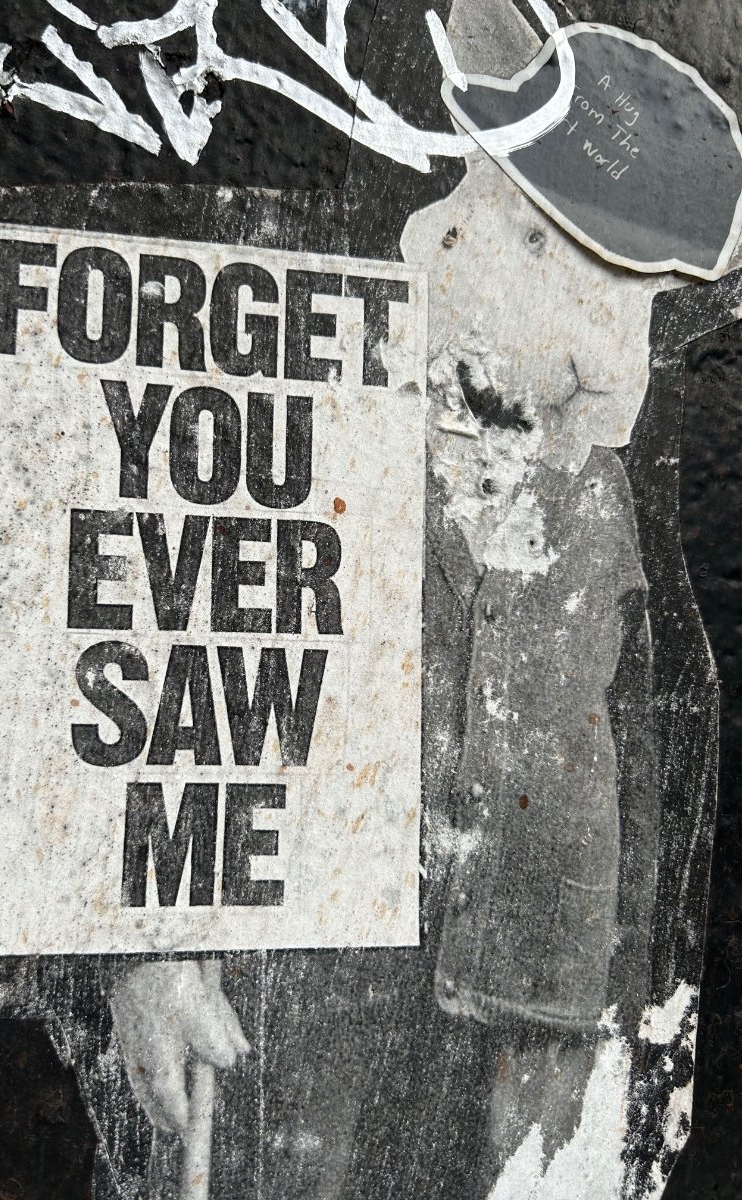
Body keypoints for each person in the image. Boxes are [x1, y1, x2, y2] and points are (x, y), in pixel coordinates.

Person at [109, 145, 664, 1199]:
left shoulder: (603, 491)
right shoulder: (301, 415)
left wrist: (611, 1024)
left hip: (528, 1015)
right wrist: (145, 949)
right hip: (295, 1007)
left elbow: (640, 775)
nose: (606, 370)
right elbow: (166, 678)